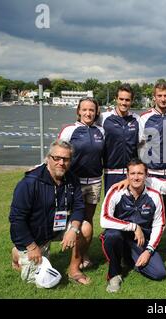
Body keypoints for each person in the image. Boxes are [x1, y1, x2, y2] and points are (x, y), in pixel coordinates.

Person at [9, 139, 90, 286]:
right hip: (33, 237)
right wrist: (32, 247)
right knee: (42, 282)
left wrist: (73, 229)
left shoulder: (72, 179)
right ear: (48, 158)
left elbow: (79, 207)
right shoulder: (29, 183)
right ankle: (17, 254)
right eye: (56, 158)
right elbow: (16, 219)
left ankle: (74, 269)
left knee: (85, 227)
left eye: (65, 159)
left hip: (56, 227)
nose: (61, 162)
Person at [100, 158, 166, 293]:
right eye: (133, 173)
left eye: (140, 174)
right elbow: (104, 219)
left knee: (159, 273)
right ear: (127, 175)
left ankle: (128, 257)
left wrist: (148, 251)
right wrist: (133, 226)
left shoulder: (154, 196)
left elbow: (159, 225)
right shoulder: (116, 191)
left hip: (140, 242)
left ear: (146, 175)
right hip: (120, 236)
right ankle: (114, 274)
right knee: (112, 235)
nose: (136, 177)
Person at [58, 97, 105, 270]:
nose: (88, 113)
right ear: (78, 111)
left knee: (88, 219)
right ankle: (71, 254)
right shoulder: (70, 130)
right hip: (73, 183)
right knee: (73, 220)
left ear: (96, 112)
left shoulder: (101, 131)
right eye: (84, 110)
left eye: (91, 110)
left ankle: (84, 254)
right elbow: (58, 152)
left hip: (94, 182)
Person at [138, 81, 166, 253]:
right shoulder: (145, 118)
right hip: (153, 173)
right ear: (154, 97)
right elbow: (140, 144)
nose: (163, 99)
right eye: (159, 96)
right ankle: (148, 243)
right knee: (149, 210)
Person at [98, 83, 140, 194]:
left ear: (132, 100)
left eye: (127, 100)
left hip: (131, 173)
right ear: (116, 99)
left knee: (131, 208)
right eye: (121, 99)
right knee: (112, 208)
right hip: (111, 172)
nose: (124, 103)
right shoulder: (104, 118)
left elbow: (142, 145)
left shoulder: (137, 119)